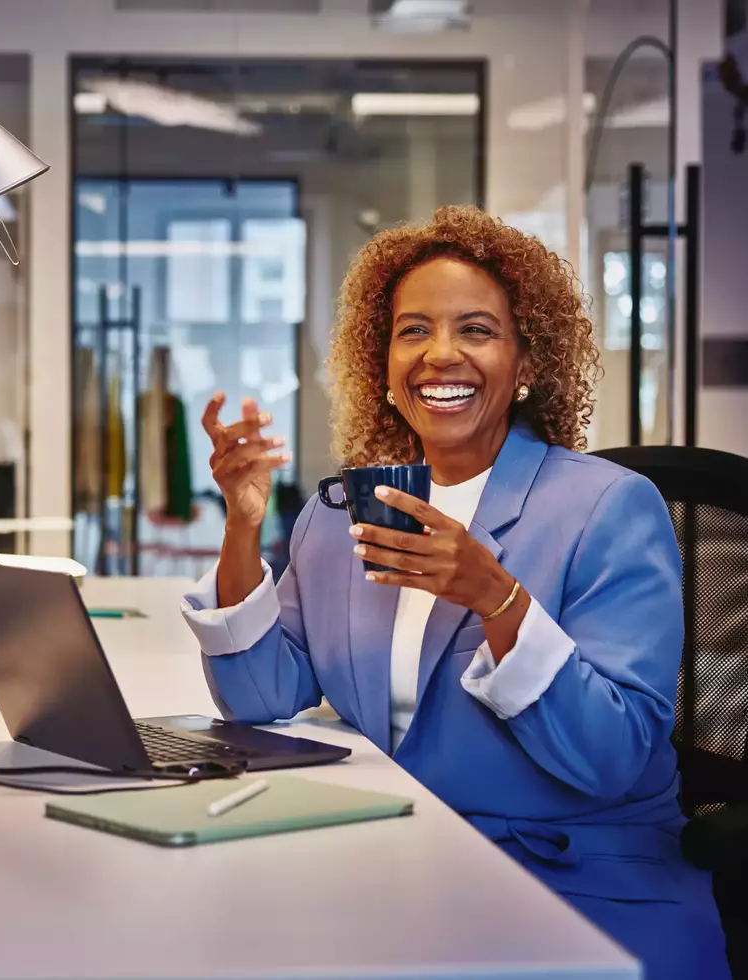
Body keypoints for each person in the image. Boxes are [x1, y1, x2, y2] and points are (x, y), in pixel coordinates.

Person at [181, 206, 729, 980]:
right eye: (412, 330)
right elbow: (259, 693)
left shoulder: (609, 507)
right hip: (397, 856)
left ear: (525, 362)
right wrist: (241, 528)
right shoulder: (344, 510)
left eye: (475, 330)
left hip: (575, 878)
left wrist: (496, 598)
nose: (440, 355)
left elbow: (611, 757)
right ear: (383, 362)